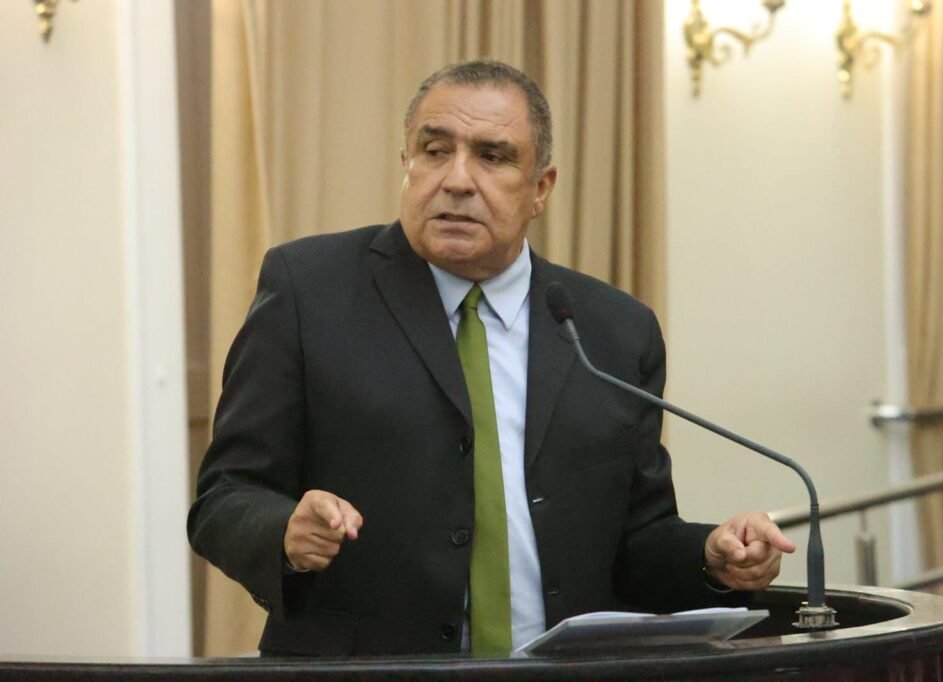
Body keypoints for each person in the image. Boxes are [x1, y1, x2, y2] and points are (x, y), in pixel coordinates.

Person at [187, 59, 795, 658]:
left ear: (541, 188)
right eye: (434, 151)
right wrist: (284, 532)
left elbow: (637, 539)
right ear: (406, 163)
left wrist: (709, 557)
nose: (456, 179)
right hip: (368, 671)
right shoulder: (309, 290)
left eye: (492, 156)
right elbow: (226, 495)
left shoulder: (612, 330)